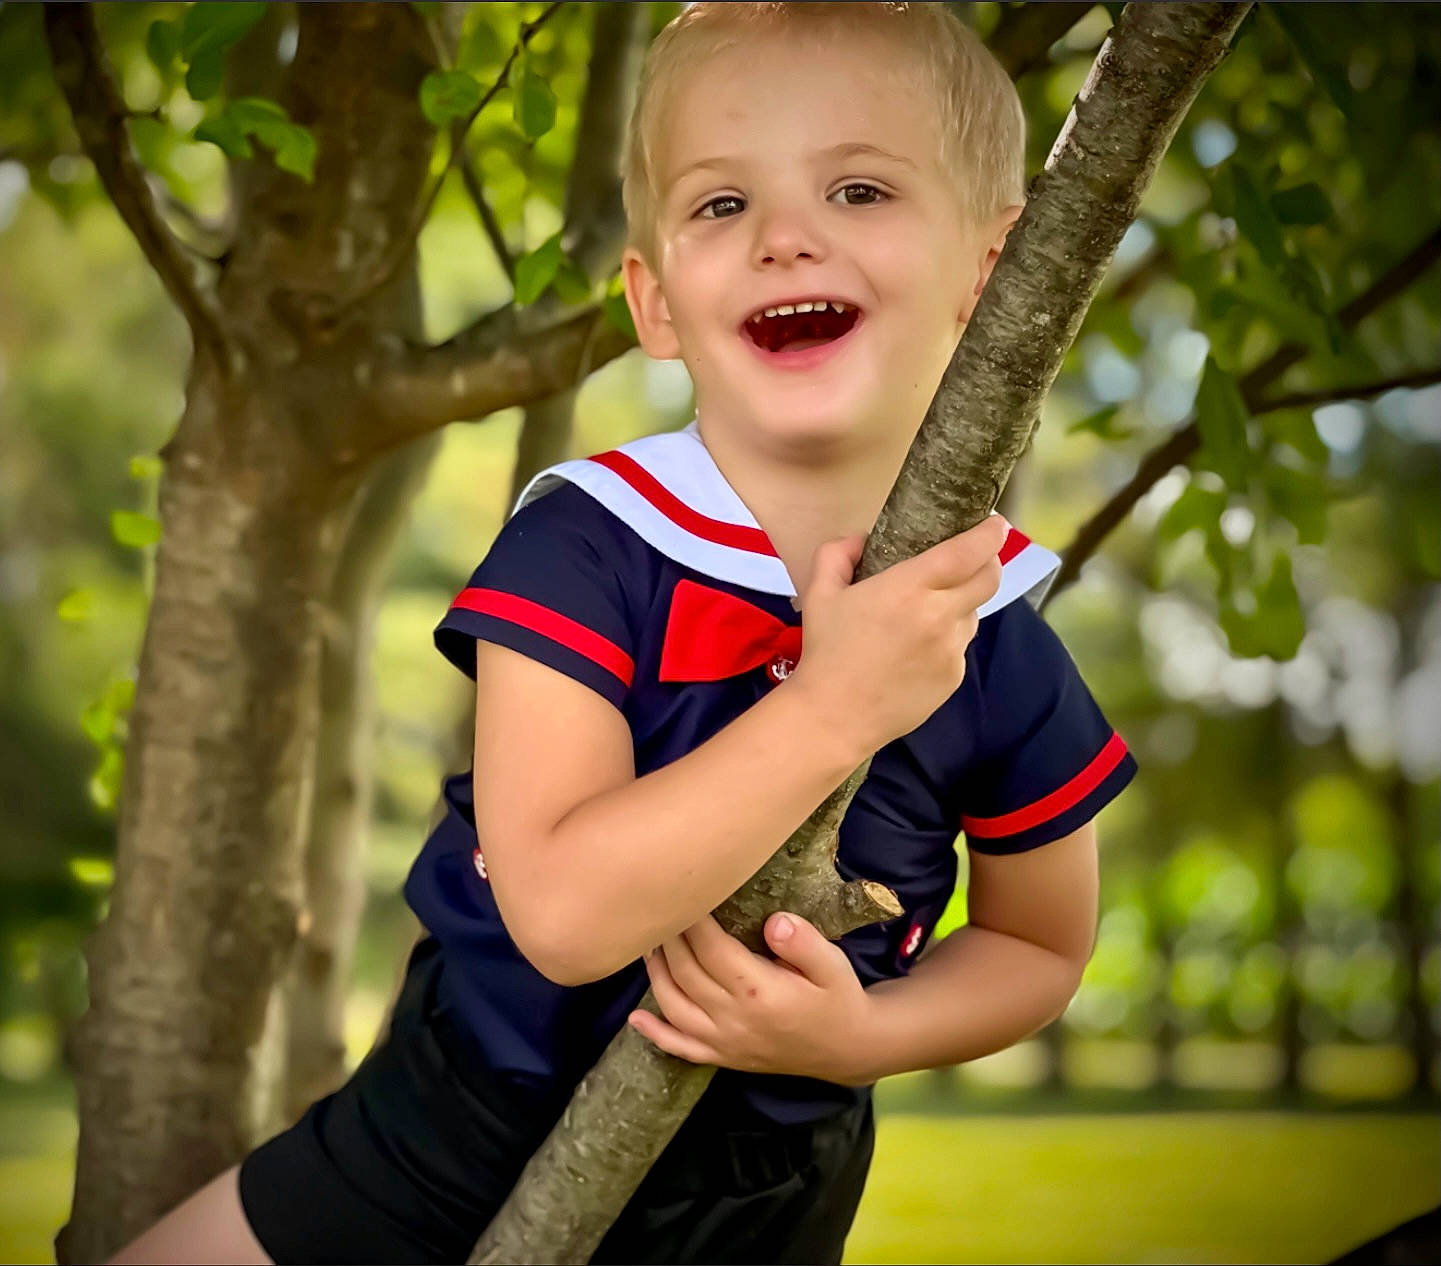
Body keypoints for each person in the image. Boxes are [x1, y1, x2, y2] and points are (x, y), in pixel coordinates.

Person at [111, 4, 1136, 1262]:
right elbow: (565, 912)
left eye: (859, 188)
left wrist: (862, 1038)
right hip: (452, 1126)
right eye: (720, 207)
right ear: (651, 301)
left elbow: (1038, 941)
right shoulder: (589, 548)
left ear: (995, 270)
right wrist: (833, 708)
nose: (784, 238)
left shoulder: (982, 626)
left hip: (763, 1193)